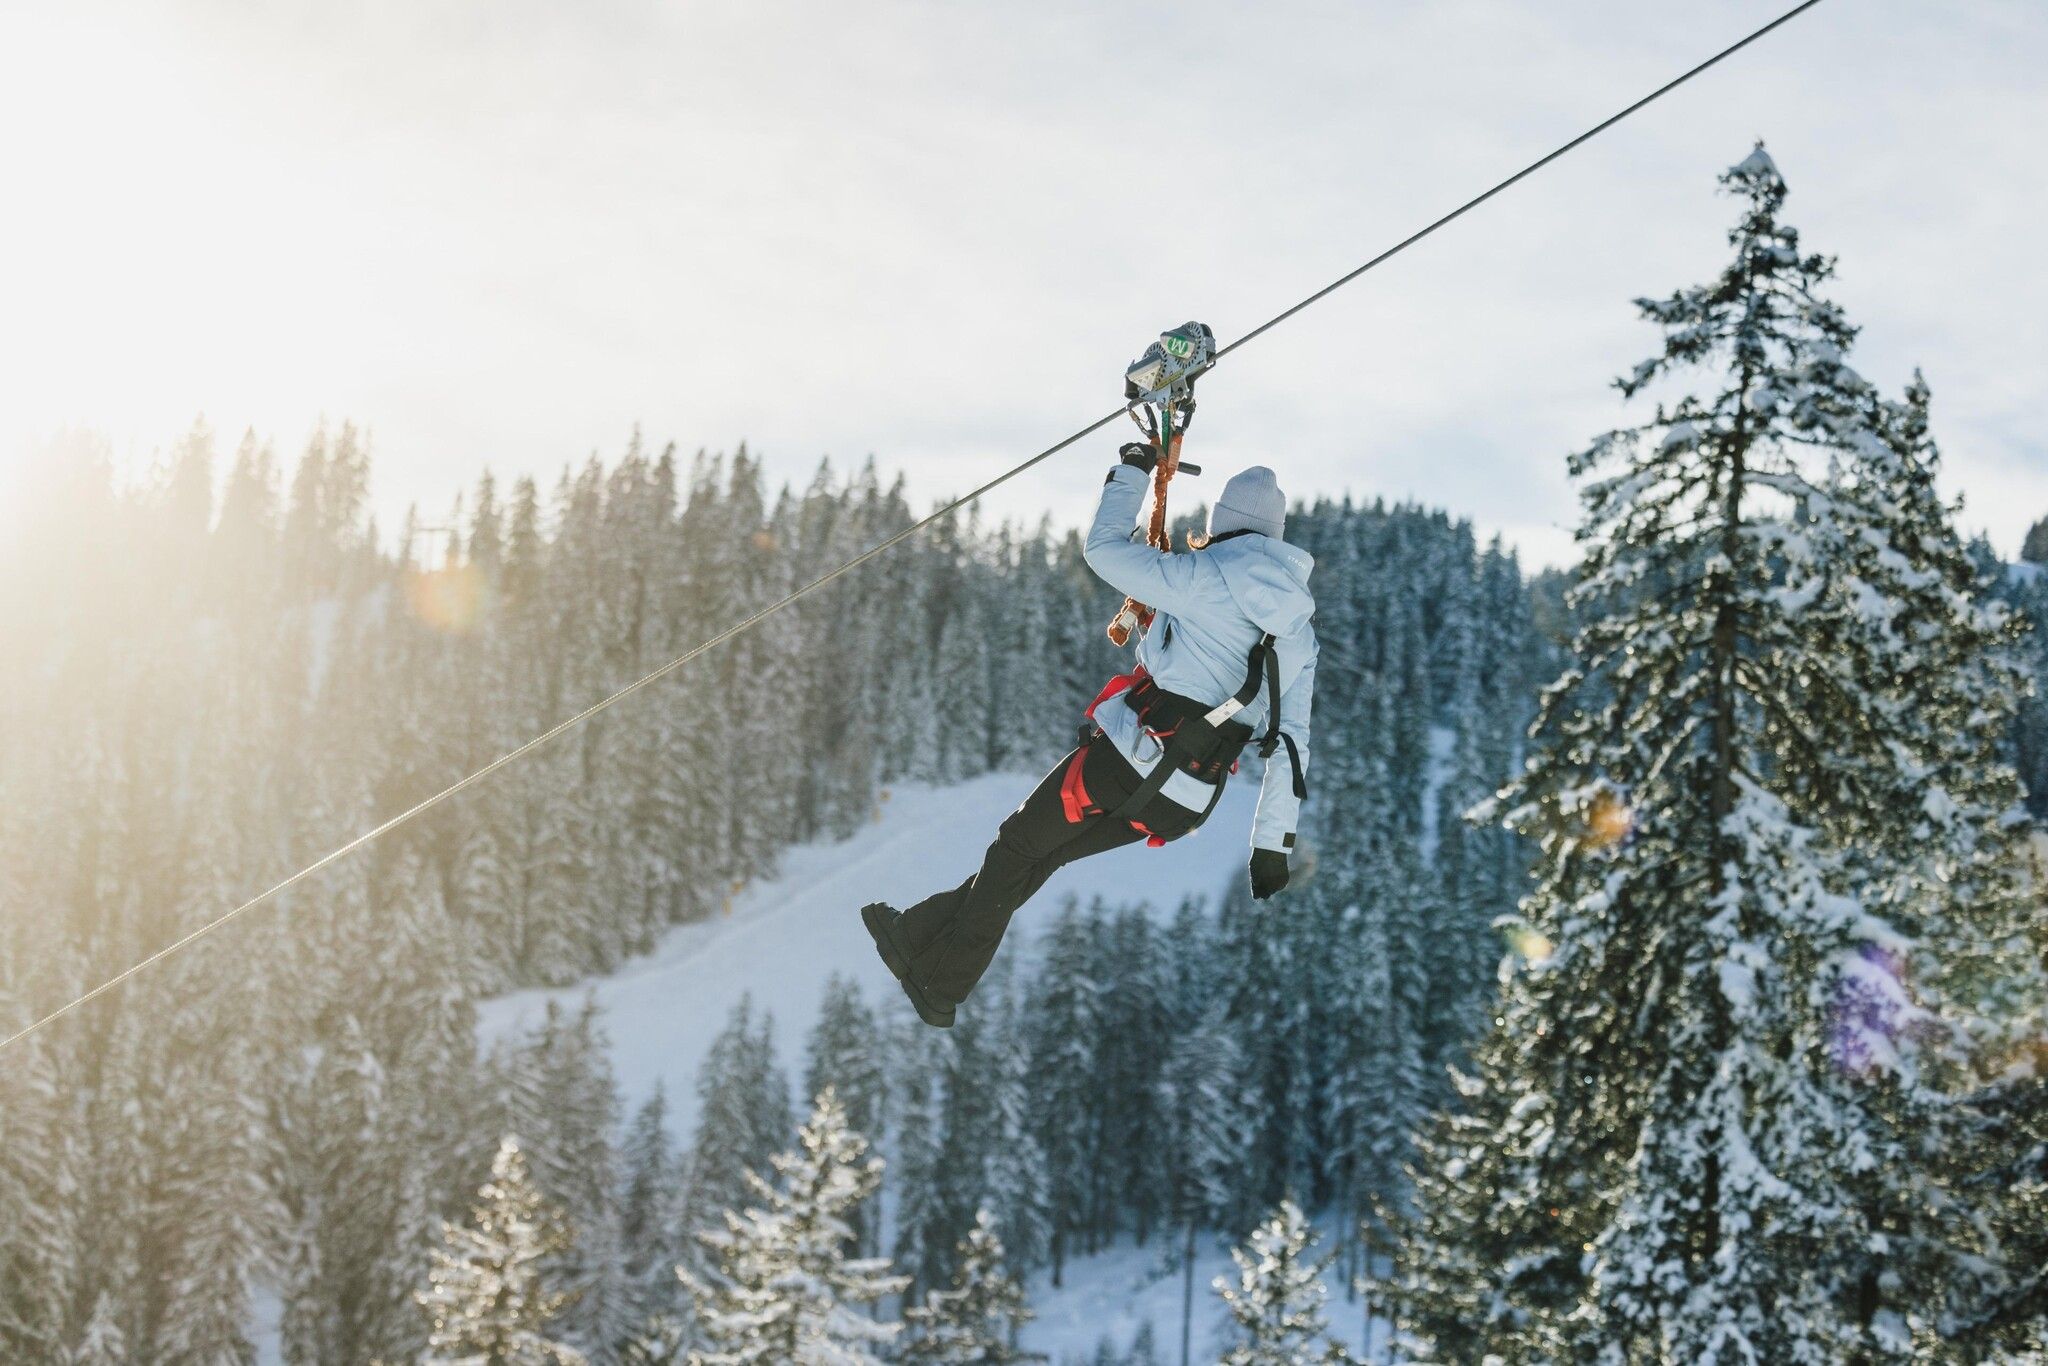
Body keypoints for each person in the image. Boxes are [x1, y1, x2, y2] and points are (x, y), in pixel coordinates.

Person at [861, 437, 1318, 1027]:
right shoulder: (1299, 633)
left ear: (1222, 524)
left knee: (1017, 847)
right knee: (1037, 856)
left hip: (1129, 761)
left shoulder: (1204, 576)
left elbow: (1103, 550)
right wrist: (1272, 847)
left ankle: (941, 986)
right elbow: (1290, 743)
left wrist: (1132, 473)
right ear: (1276, 539)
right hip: (1185, 803)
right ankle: (916, 935)